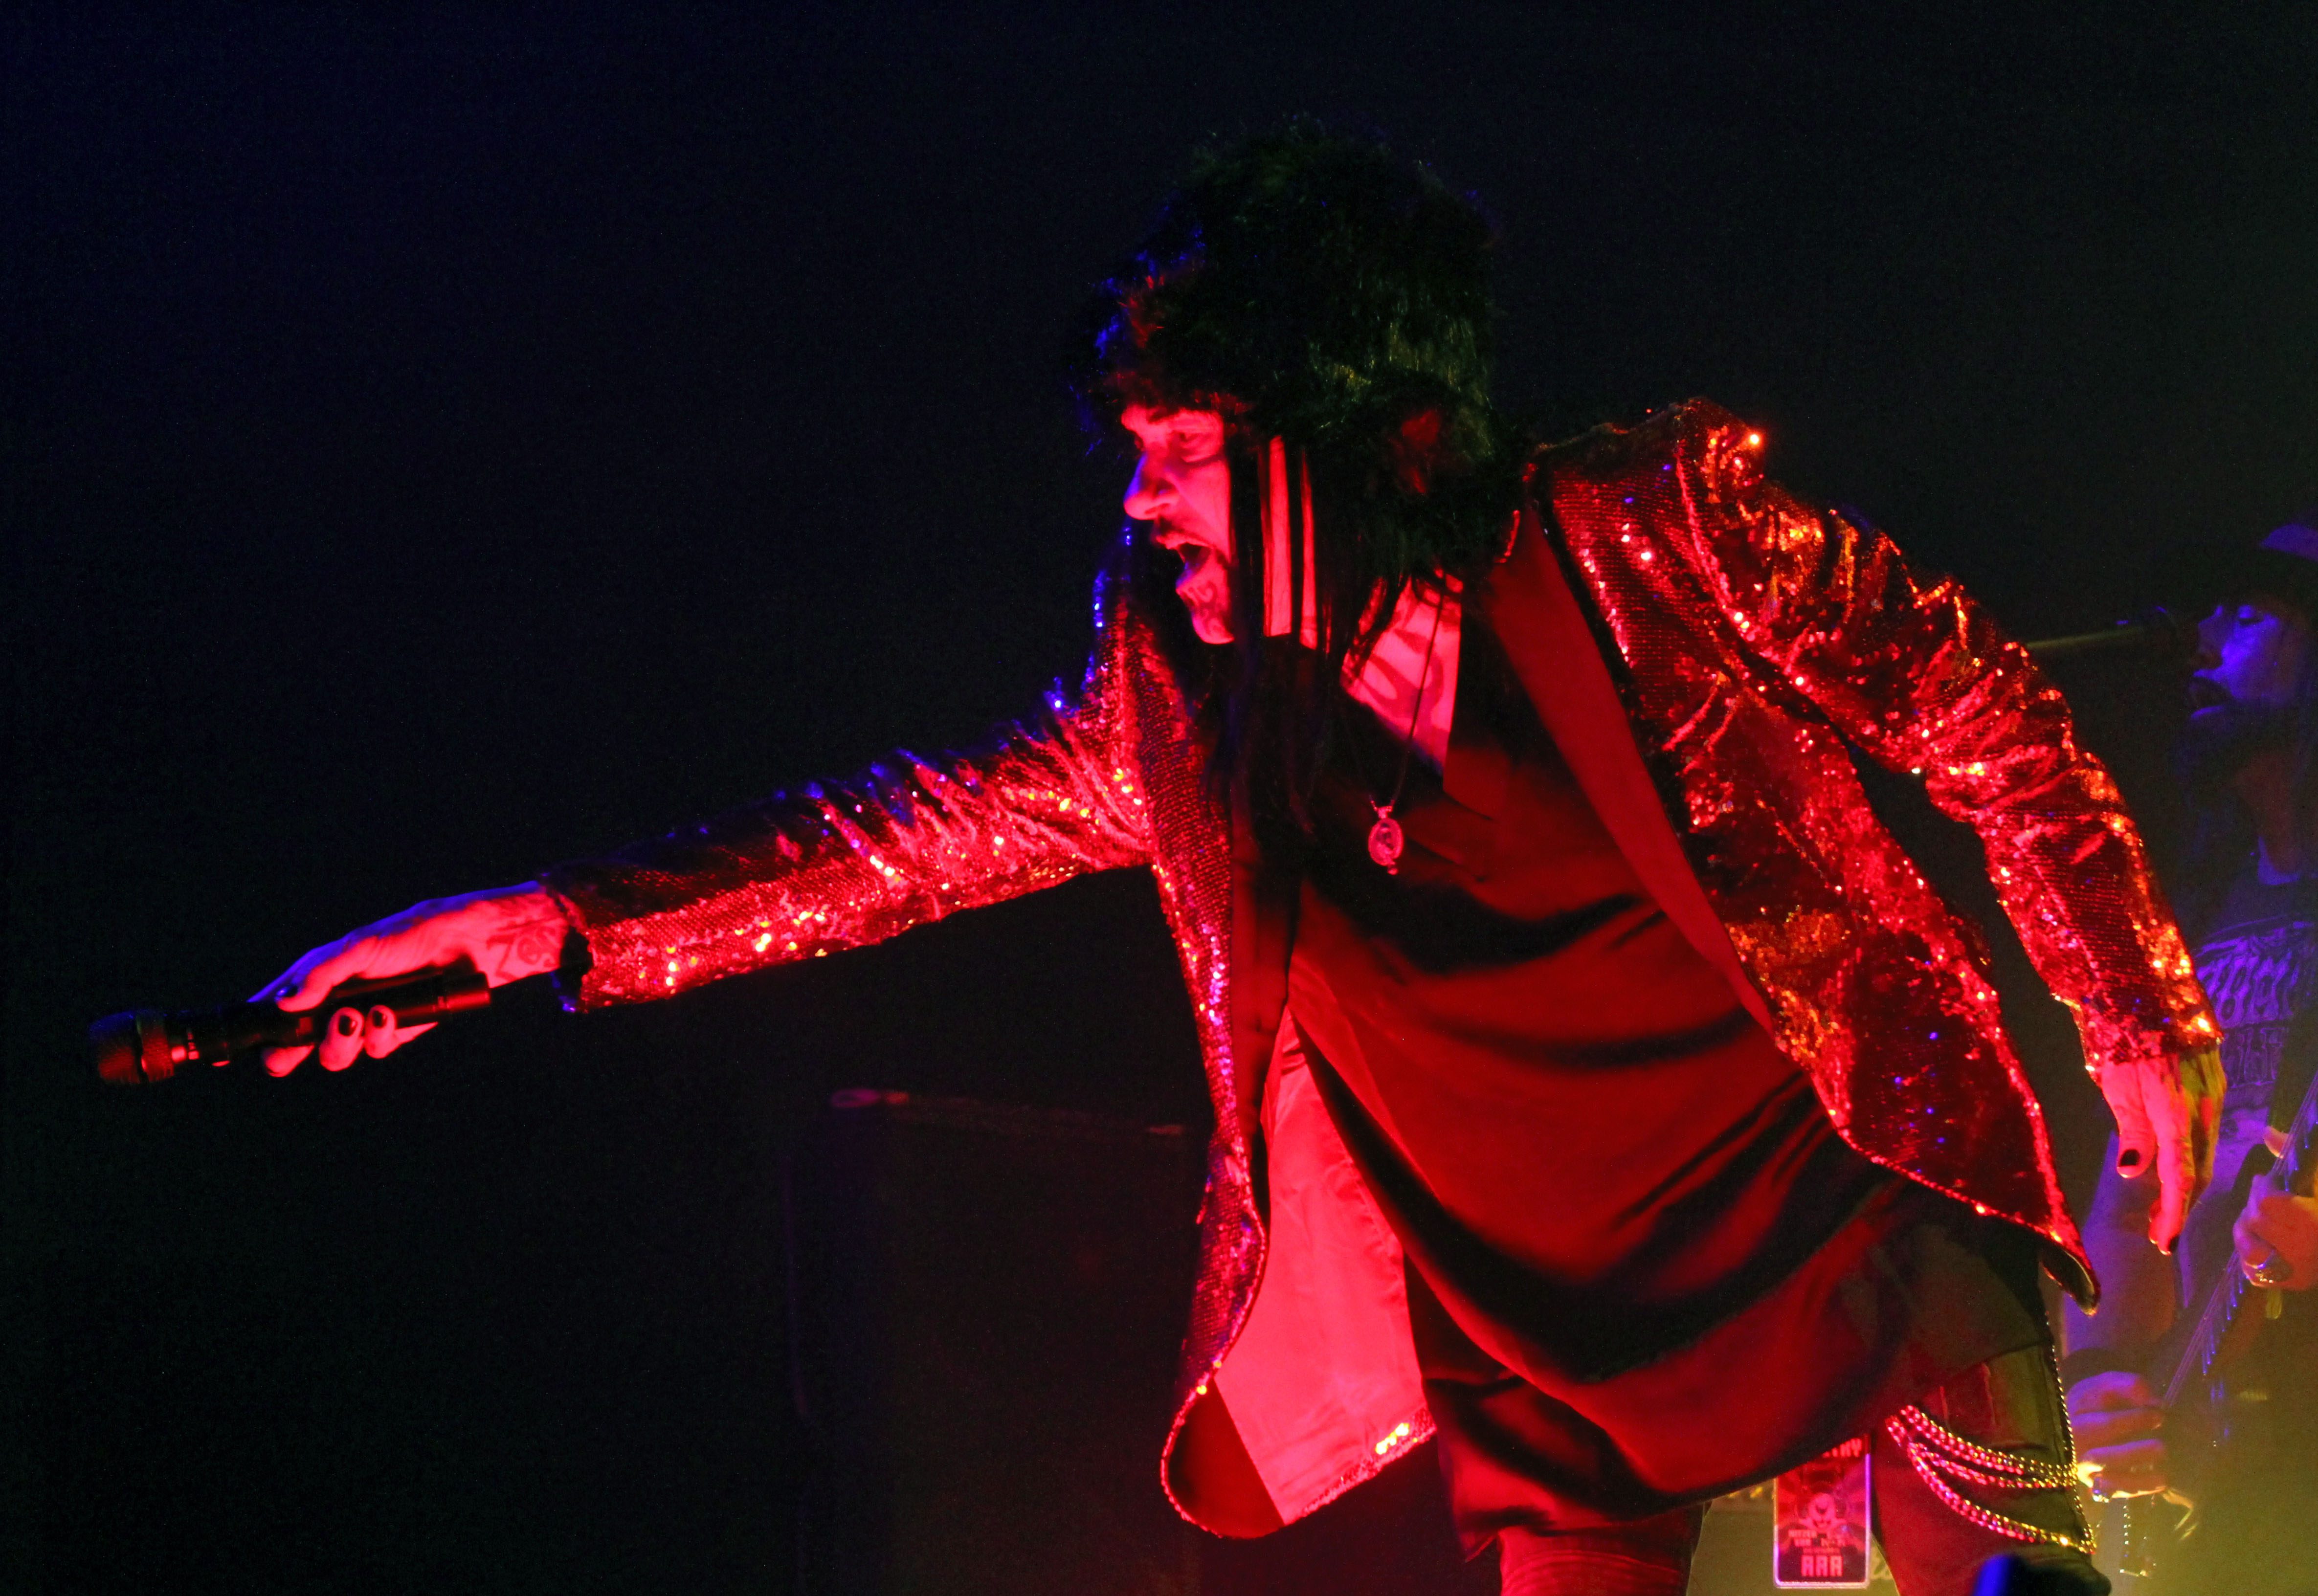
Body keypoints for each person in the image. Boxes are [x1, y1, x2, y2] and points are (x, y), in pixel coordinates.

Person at [256, 127, 2220, 1595]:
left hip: (1841, 1240)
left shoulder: (1651, 535)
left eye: (1188, 443)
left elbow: (1986, 714)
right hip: (1541, 1346)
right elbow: (914, 839)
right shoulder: (1188, 698)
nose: (1141, 499)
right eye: (1135, 443)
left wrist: (2128, 1001)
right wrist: (549, 933)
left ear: (1389, 442)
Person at [2064, 519, 2318, 1594]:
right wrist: (2105, 1379)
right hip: (2214, 1458)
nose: (2205, 643)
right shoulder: (2201, 912)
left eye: (2253, 610)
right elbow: (2134, 1195)